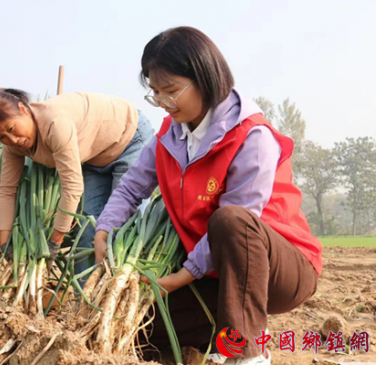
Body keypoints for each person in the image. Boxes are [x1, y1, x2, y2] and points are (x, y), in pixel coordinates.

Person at [94, 26, 322, 364]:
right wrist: (103, 231)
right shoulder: (169, 137)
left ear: (205, 78)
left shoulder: (251, 136)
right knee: (145, 329)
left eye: (170, 90)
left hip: (281, 269)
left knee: (230, 220)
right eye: (155, 92)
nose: (162, 102)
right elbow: (130, 187)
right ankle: (214, 341)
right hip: (215, 275)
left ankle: (245, 354)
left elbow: (244, 216)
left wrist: (181, 277)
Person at [0, 89, 153, 274]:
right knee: (87, 229)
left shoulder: (55, 124)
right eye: (1, 137)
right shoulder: (13, 147)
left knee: (125, 228)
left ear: (23, 109)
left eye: (11, 129)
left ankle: (126, 289)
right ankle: (82, 299)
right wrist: (5, 243)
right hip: (95, 158)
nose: (12, 139)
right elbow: (7, 190)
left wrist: (54, 242)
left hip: (130, 138)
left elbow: (72, 189)